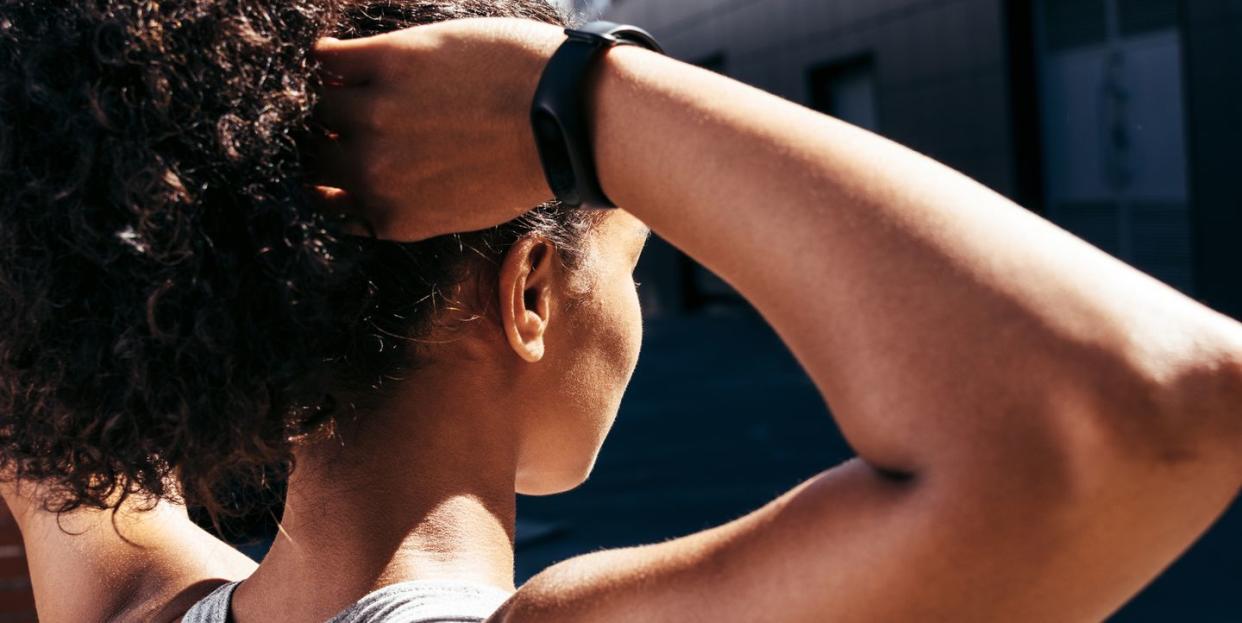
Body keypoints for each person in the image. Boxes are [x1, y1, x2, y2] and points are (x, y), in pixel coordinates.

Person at [1, 1, 1239, 622]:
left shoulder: (124, 591)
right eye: (629, 258)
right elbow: (1139, 405)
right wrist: (584, 104)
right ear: (530, 291)